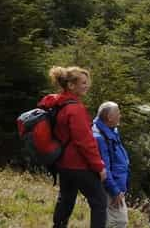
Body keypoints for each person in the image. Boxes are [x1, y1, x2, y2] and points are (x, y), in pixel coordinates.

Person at [39, 66, 108, 228]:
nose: (87, 86)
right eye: (83, 83)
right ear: (71, 85)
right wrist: (99, 167)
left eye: (87, 82)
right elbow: (85, 142)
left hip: (62, 163)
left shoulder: (58, 103)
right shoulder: (75, 109)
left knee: (66, 198)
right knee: (99, 201)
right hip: (78, 165)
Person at [93, 101, 131, 228]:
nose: (120, 116)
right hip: (111, 187)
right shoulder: (100, 137)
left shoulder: (110, 130)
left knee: (115, 221)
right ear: (109, 117)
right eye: (118, 113)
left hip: (117, 184)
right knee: (118, 222)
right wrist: (115, 190)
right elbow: (104, 167)